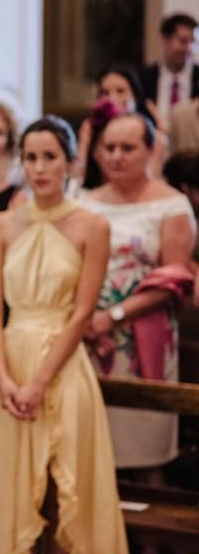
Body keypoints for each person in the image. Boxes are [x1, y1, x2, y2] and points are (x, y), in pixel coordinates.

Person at [0, 116, 131, 554]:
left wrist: (38, 381)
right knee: (11, 491)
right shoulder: (0, 225)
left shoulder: (92, 226)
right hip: (10, 366)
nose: (39, 168)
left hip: (61, 367)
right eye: (31, 158)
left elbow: (82, 313)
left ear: (70, 162)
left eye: (50, 157)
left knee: (63, 491)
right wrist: (3, 378)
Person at [79, 113, 196, 470]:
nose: (116, 156)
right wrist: (88, 322)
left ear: (149, 151)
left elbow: (174, 281)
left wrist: (113, 316)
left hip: (142, 335)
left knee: (145, 451)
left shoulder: (171, 205)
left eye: (127, 148)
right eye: (109, 147)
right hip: (89, 336)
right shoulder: (85, 201)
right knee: (92, 451)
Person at [77, 65, 167, 190]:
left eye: (120, 91)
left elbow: (151, 180)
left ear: (135, 96)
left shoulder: (154, 135)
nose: (112, 98)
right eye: (105, 92)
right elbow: (79, 175)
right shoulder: (90, 130)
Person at [138, 12, 198, 121]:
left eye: (192, 42)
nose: (189, 48)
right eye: (183, 41)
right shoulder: (143, 79)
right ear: (165, 39)